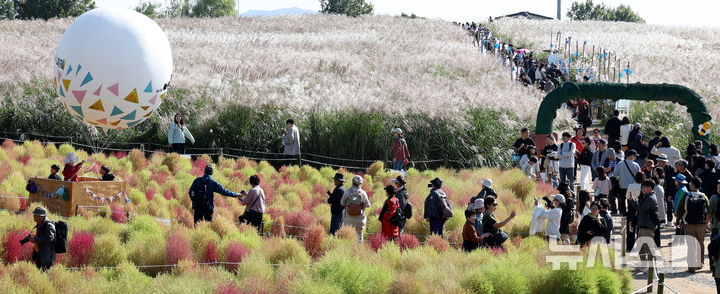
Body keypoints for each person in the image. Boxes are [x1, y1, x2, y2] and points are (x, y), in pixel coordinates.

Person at [677, 177, 709, 272]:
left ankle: (691, 267)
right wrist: (706, 223)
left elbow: (680, 209)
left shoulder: (687, 195)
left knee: (691, 244)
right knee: (700, 243)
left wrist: (678, 220)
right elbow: (709, 210)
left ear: (693, 185)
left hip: (689, 223)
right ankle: (700, 264)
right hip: (701, 224)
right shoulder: (704, 196)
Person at [341, 175, 371, 242]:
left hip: (348, 219)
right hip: (360, 219)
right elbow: (368, 205)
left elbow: (342, 203)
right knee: (359, 237)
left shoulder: (347, 192)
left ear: (352, 182)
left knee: (348, 237)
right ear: (360, 183)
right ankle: (359, 250)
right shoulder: (363, 193)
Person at [636, 180, 660, 261]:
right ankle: (644, 265)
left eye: (644, 186)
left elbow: (641, 209)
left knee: (648, 247)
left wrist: (632, 201)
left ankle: (651, 266)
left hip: (647, 226)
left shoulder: (650, 198)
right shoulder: (646, 196)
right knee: (640, 247)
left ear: (649, 187)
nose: (642, 188)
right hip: (643, 225)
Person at [616, 150, 641, 216]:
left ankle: (624, 214)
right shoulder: (636, 165)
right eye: (635, 156)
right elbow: (639, 176)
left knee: (622, 201)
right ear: (632, 156)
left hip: (622, 185)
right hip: (633, 186)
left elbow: (615, 174)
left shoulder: (620, 164)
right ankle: (631, 215)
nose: (635, 158)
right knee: (631, 201)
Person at [603, 148, 622, 214]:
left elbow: (620, 169)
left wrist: (611, 169)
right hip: (609, 179)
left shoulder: (619, 160)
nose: (609, 157)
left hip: (618, 180)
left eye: (610, 156)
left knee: (619, 195)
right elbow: (604, 168)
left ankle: (621, 209)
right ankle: (613, 209)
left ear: (614, 154)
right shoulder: (606, 160)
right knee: (611, 195)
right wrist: (605, 169)